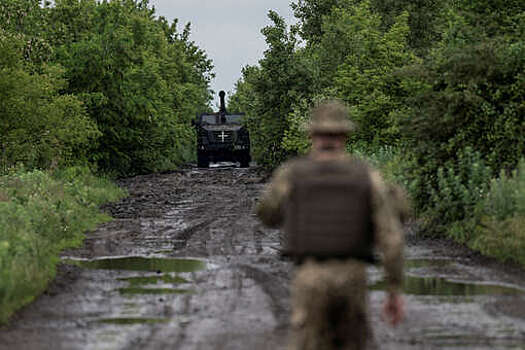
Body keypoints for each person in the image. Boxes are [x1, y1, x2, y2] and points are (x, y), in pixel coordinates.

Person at [256, 100, 405, 350]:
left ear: (312, 134)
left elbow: (266, 213)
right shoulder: (366, 175)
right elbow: (391, 237)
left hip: (310, 275)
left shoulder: (292, 174)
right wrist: (394, 290)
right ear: (345, 135)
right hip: (353, 276)